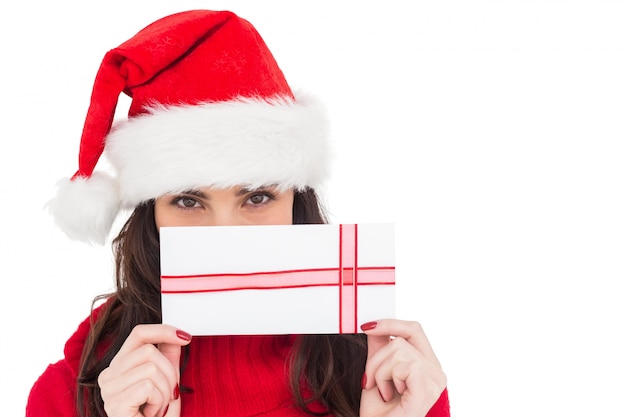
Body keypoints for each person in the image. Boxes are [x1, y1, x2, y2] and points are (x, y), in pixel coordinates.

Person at [26, 9, 450, 417]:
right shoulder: (70, 395)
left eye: (258, 197)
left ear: (297, 205)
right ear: (150, 215)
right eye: (188, 201)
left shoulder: (396, 385)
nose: (224, 233)